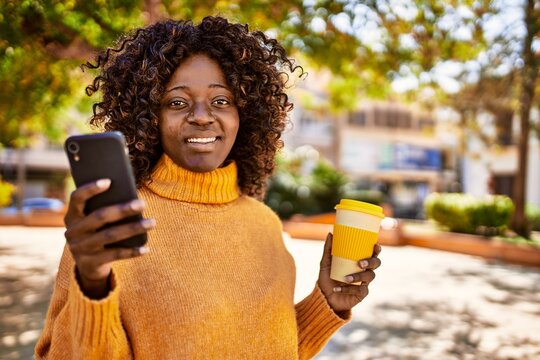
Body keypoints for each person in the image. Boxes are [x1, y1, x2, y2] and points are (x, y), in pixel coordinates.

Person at [35, 16, 382, 359]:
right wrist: (93, 283)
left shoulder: (264, 223)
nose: (202, 116)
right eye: (177, 102)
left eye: (221, 101)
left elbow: (273, 349)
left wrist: (325, 302)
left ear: (245, 114)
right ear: (148, 116)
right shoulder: (113, 223)